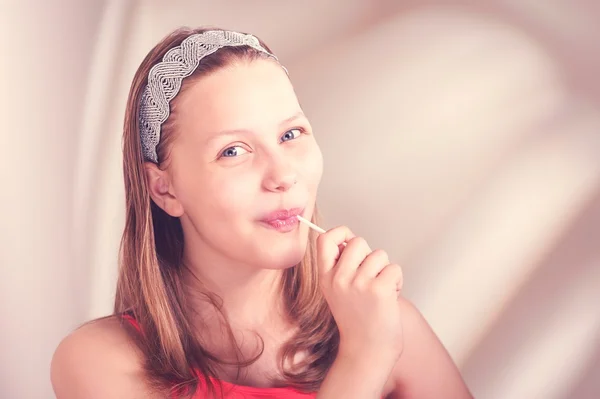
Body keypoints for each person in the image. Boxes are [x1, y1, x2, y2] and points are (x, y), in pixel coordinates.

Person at [50, 27, 474, 399]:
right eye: (233, 150)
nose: (284, 175)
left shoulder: (392, 324)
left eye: (291, 134)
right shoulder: (98, 362)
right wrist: (365, 359)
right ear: (164, 188)